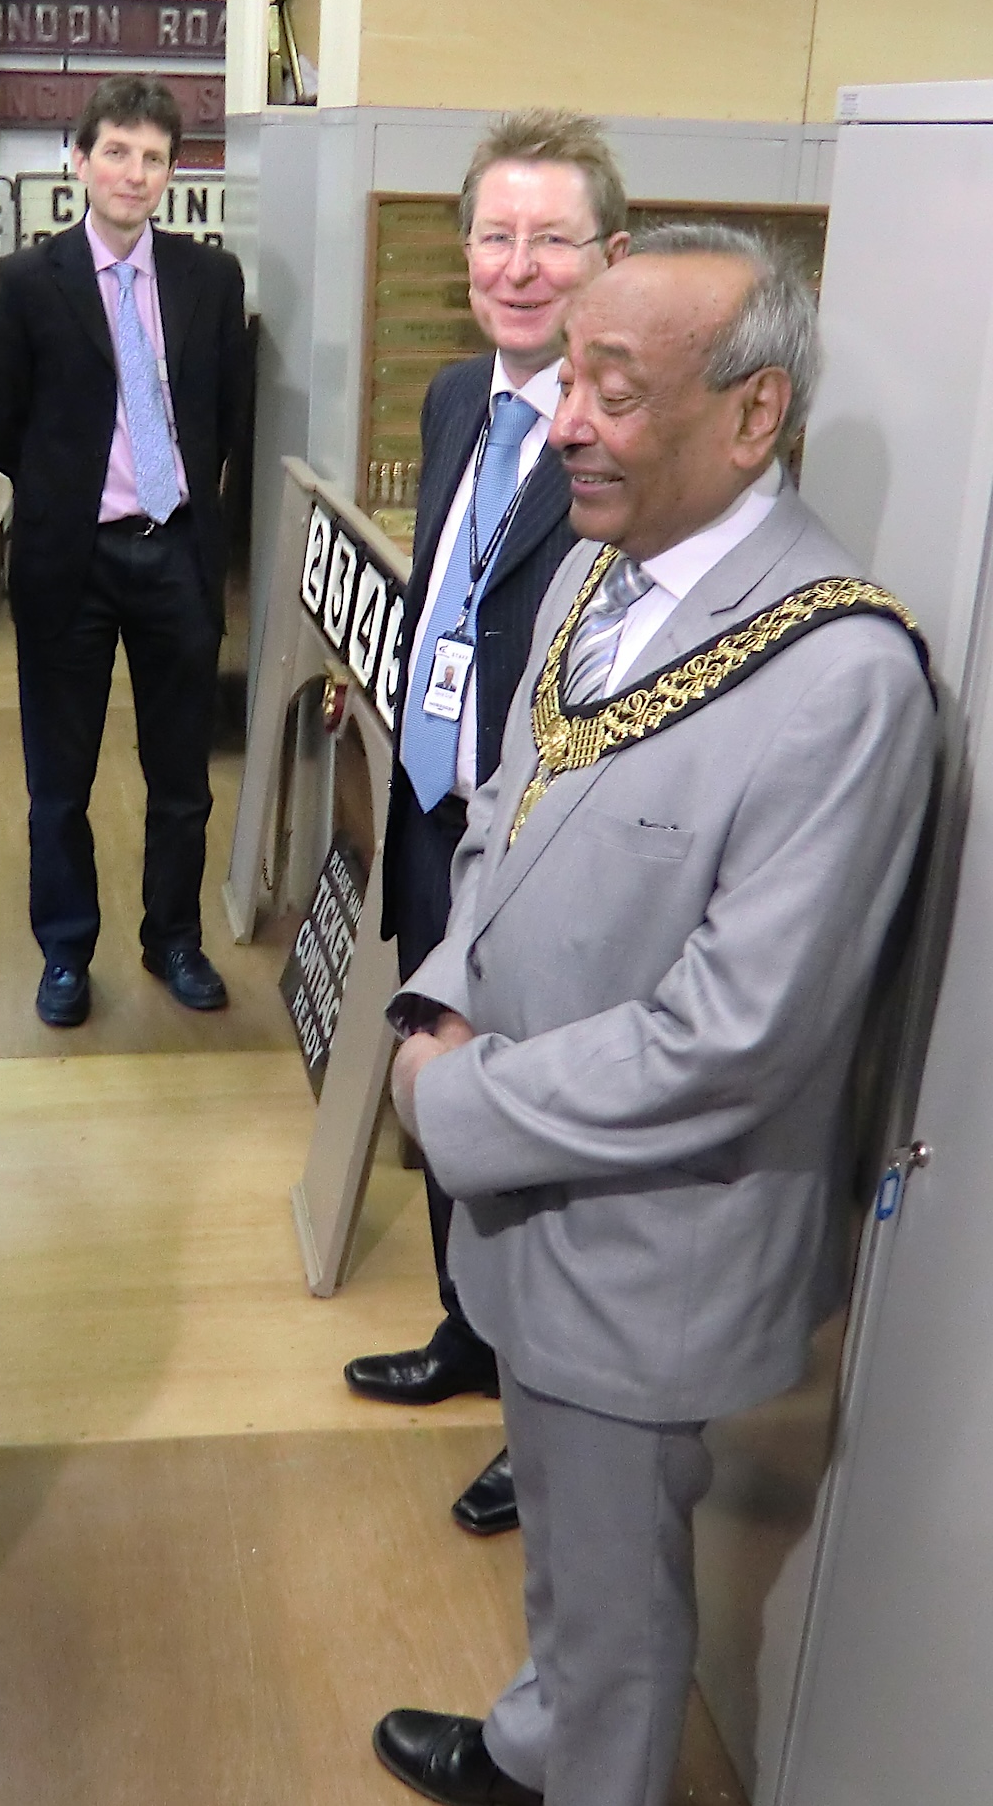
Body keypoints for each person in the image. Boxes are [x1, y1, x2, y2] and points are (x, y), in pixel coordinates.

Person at [372, 226, 936, 1806]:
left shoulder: (839, 677)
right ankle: (534, 1741)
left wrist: (452, 1106)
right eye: (567, 380)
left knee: (626, 1619)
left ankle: (583, 1765)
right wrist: (441, 992)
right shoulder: (589, 573)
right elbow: (501, 818)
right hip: (539, 1201)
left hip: (647, 1246)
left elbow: (740, 1033)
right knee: (567, 1540)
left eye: (612, 391)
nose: (562, 424)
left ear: (753, 416)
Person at [344, 113, 630, 1542]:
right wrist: (389, 697)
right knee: (445, 1098)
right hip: (431, 820)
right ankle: (467, 1329)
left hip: (542, 857)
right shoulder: (460, 394)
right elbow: (448, 589)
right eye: (496, 236)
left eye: (552, 238)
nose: (519, 268)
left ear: (611, 258)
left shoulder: (629, 433)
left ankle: (540, 1406)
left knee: (531, 1133)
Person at [0, 75, 249, 1028]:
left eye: (156, 157)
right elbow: (0, 424)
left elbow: (228, 418)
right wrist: (64, 497)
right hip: (71, 563)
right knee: (61, 778)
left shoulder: (212, 281)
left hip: (175, 552)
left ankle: (172, 936)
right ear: (80, 160)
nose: (136, 173)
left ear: (174, 172)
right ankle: (65, 948)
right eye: (118, 152)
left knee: (181, 775)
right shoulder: (27, 283)